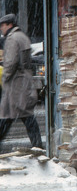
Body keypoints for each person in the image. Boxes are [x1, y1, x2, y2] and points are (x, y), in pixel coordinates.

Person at [0, 14, 42, 149]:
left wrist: (5, 77)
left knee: (9, 116)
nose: (1, 28)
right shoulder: (23, 37)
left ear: (9, 25)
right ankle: (38, 145)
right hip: (24, 82)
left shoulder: (12, 39)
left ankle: (38, 146)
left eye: (3, 25)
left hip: (15, 84)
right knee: (24, 116)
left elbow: (11, 63)